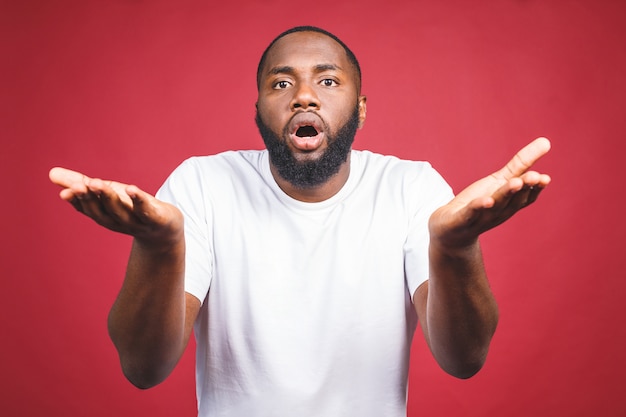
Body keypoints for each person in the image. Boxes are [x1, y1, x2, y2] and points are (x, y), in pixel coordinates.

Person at [49, 26, 551, 416]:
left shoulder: (411, 188)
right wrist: (160, 247)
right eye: (282, 82)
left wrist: (455, 248)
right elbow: (143, 368)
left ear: (360, 108)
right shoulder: (203, 184)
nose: (304, 96)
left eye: (327, 81)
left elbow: (463, 361)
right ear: (259, 111)